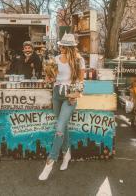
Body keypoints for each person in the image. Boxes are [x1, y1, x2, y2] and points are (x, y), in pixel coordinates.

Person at [38, 33, 85, 181]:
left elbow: (81, 81)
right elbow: (51, 79)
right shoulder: (56, 59)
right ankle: (67, 154)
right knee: (62, 126)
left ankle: (50, 162)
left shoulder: (79, 61)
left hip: (69, 96)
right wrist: (48, 76)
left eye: (64, 45)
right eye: (61, 45)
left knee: (59, 129)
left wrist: (75, 93)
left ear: (70, 47)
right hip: (57, 95)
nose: (61, 47)